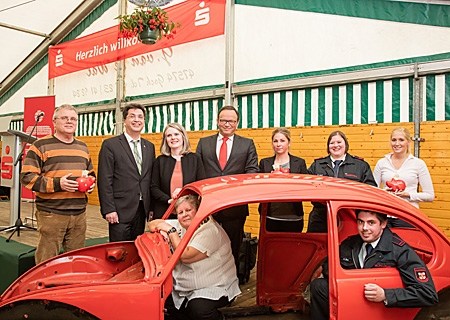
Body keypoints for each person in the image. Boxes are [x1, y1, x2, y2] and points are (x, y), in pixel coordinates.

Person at [310, 209, 438, 320]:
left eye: (371, 223)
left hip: (379, 308)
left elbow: (427, 294)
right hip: (351, 301)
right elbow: (328, 267)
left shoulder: (400, 250)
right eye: (360, 222)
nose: (364, 228)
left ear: (383, 224)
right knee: (319, 286)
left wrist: (385, 295)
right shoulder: (351, 243)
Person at [20, 104, 95, 264]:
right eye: (64, 118)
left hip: (79, 215)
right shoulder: (40, 146)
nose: (69, 121)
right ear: (54, 122)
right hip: (51, 214)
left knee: (75, 260)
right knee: (46, 260)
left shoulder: (82, 147)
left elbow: (90, 173)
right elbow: (27, 177)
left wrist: (91, 184)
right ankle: (43, 288)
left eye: (73, 119)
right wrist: (58, 184)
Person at [148, 194, 241, 320]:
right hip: (186, 285)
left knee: (199, 309)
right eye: (180, 212)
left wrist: (171, 232)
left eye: (188, 210)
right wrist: (165, 228)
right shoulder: (182, 224)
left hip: (215, 286)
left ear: (197, 211)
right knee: (164, 302)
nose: (184, 214)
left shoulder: (210, 230)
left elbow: (185, 256)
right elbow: (152, 224)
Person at [196, 105, 259, 269]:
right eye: (223, 120)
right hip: (208, 207)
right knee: (206, 245)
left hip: (235, 206)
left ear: (237, 123)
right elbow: (197, 171)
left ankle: (232, 281)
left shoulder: (247, 144)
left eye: (231, 121)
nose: (227, 124)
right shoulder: (204, 143)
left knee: (233, 246)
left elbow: (252, 172)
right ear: (217, 121)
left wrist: (234, 186)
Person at [98, 103, 155, 242]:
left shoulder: (149, 147)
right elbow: (104, 179)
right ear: (124, 120)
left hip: (142, 209)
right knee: (118, 251)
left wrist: (151, 208)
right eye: (132, 116)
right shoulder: (110, 145)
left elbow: (150, 179)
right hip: (119, 210)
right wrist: (108, 209)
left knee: (137, 249)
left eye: (140, 117)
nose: (137, 120)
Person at [307, 130, 376, 232]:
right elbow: (307, 188)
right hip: (321, 217)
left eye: (339, 142)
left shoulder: (360, 165)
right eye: (332, 143)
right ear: (328, 146)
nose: (336, 145)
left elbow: (370, 188)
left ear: (345, 144)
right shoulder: (317, 165)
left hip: (350, 216)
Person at [373, 127, 434, 228]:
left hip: (408, 215)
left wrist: (408, 195)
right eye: (394, 140)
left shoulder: (418, 164)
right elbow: (373, 191)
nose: (397, 143)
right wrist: (384, 192)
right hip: (384, 215)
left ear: (408, 142)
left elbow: (430, 195)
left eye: (401, 140)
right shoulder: (382, 163)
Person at [151, 123, 205, 219]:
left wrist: (184, 192)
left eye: (176, 134)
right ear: (165, 140)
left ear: (183, 136)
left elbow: (201, 184)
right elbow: (154, 187)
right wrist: (169, 200)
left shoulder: (195, 159)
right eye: (169, 135)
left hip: (189, 212)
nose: (173, 138)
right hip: (164, 211)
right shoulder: (159, 160)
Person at [259, 127, 308, 232]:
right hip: (270, 216)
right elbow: (259, 187)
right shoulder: (265, 163)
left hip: (294, 216)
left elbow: (305, 188)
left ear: (288, 143)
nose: (278, 144)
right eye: (275, 141)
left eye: (282, 141)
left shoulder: (299, 163)